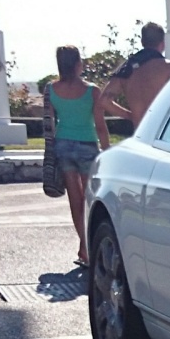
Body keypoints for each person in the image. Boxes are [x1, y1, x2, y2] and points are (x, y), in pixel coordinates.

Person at [48, 46, 110, 267]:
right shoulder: (92, 91)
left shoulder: (51, 90)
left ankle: (84, 247)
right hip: (88, 145)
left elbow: (49, 123)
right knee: (90, 198)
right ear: (77, 63)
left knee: (75, 199)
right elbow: (100, 126)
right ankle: (89, 247)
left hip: (63, 145)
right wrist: (107, 151)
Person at [96, 22, 170, 130]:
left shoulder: (127, 69)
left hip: (140, 134)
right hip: (163, 132)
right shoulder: (169, 68)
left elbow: (104, 100)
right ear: (162, 44)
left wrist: (130, 115)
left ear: (142, 42)